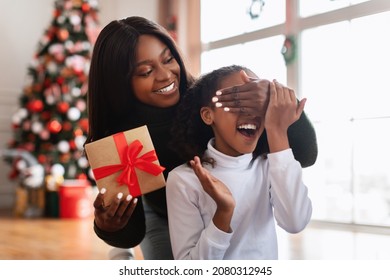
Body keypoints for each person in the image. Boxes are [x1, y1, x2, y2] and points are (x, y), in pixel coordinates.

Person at [85, 16, 318, 260]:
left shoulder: (210, 102)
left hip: (221, 209)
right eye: (146, 71)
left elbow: (305, 155)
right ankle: (121, 258)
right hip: (162, 210)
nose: (166, 75)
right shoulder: (120, 140)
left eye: (168, 59)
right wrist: (108, 226)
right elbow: (130, 233)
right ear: (119, 83)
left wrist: (272, 96)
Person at [166, 65, 312, 260]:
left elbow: (295, 222)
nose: (251, 114)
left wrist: (277, 130)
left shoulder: (269, 166)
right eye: (238, 103)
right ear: (208, 115)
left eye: (257, 104)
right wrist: (223, 213)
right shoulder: (184, 180)